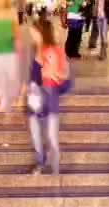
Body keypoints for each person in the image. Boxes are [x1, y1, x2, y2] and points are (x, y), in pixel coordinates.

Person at [28, 19, 71, 175]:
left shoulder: (54, 51)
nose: (31, 34)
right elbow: (32, 76)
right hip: (34, 98)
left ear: (41, 33)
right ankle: (40, 161)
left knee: (51, 136)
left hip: (50, 96)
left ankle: (55, 166)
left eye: (34, 31)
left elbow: (64, 75)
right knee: (35, 135)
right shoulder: (34, 51)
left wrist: (54, 74)